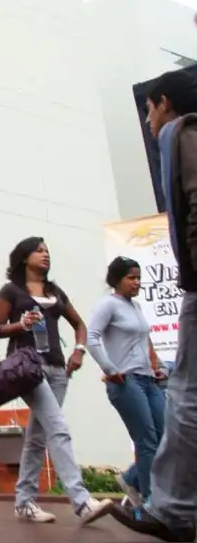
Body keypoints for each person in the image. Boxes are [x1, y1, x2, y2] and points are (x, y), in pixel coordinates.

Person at [110, 69, 197, 542]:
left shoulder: (180, 135)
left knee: (185, 402)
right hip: (134, 379)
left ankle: (171, 510)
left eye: (148, 108)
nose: (146, 119)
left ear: (164, 103)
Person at [0, 236, 113, 525]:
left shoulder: (55, 291)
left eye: (47, 250)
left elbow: (80, 324)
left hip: (59, 371)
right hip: (29, 370)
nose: (45, 255)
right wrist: (21, 324)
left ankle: (24, 502)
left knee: (37, 436)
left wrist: (79, 351)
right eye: (38, 250)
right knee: (58, 428)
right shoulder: (11, 291)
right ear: (23, 258)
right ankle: (82, 502)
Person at [85, 257, 167, 506]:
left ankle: (131, 478)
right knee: (147, 440)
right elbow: (91, 336)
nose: (137, 282)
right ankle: (151, 499)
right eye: (131, 278)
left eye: (138, 278)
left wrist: (158, 366)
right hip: (126, 381)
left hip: (149, 380)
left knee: (165, 438)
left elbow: (145, 341)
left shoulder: (137, 307)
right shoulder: (108, 305)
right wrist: (110, 369)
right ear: (116, 280)